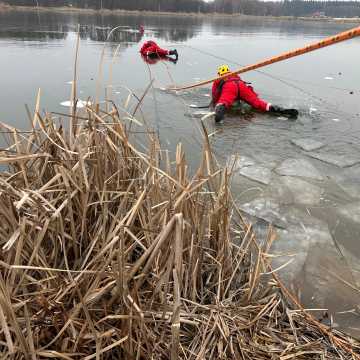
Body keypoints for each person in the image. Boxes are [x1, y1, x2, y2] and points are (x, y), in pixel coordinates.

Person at [212, 64, 298, 123]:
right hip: (241, 85)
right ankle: (278, 109)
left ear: (220, 73)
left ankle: (220, 109)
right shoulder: (236, 76)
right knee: (258, 103)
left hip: (229, 87)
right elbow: (243, 88)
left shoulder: (219, 79)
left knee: (224, 101)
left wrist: (215, 103)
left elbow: (215, 93)